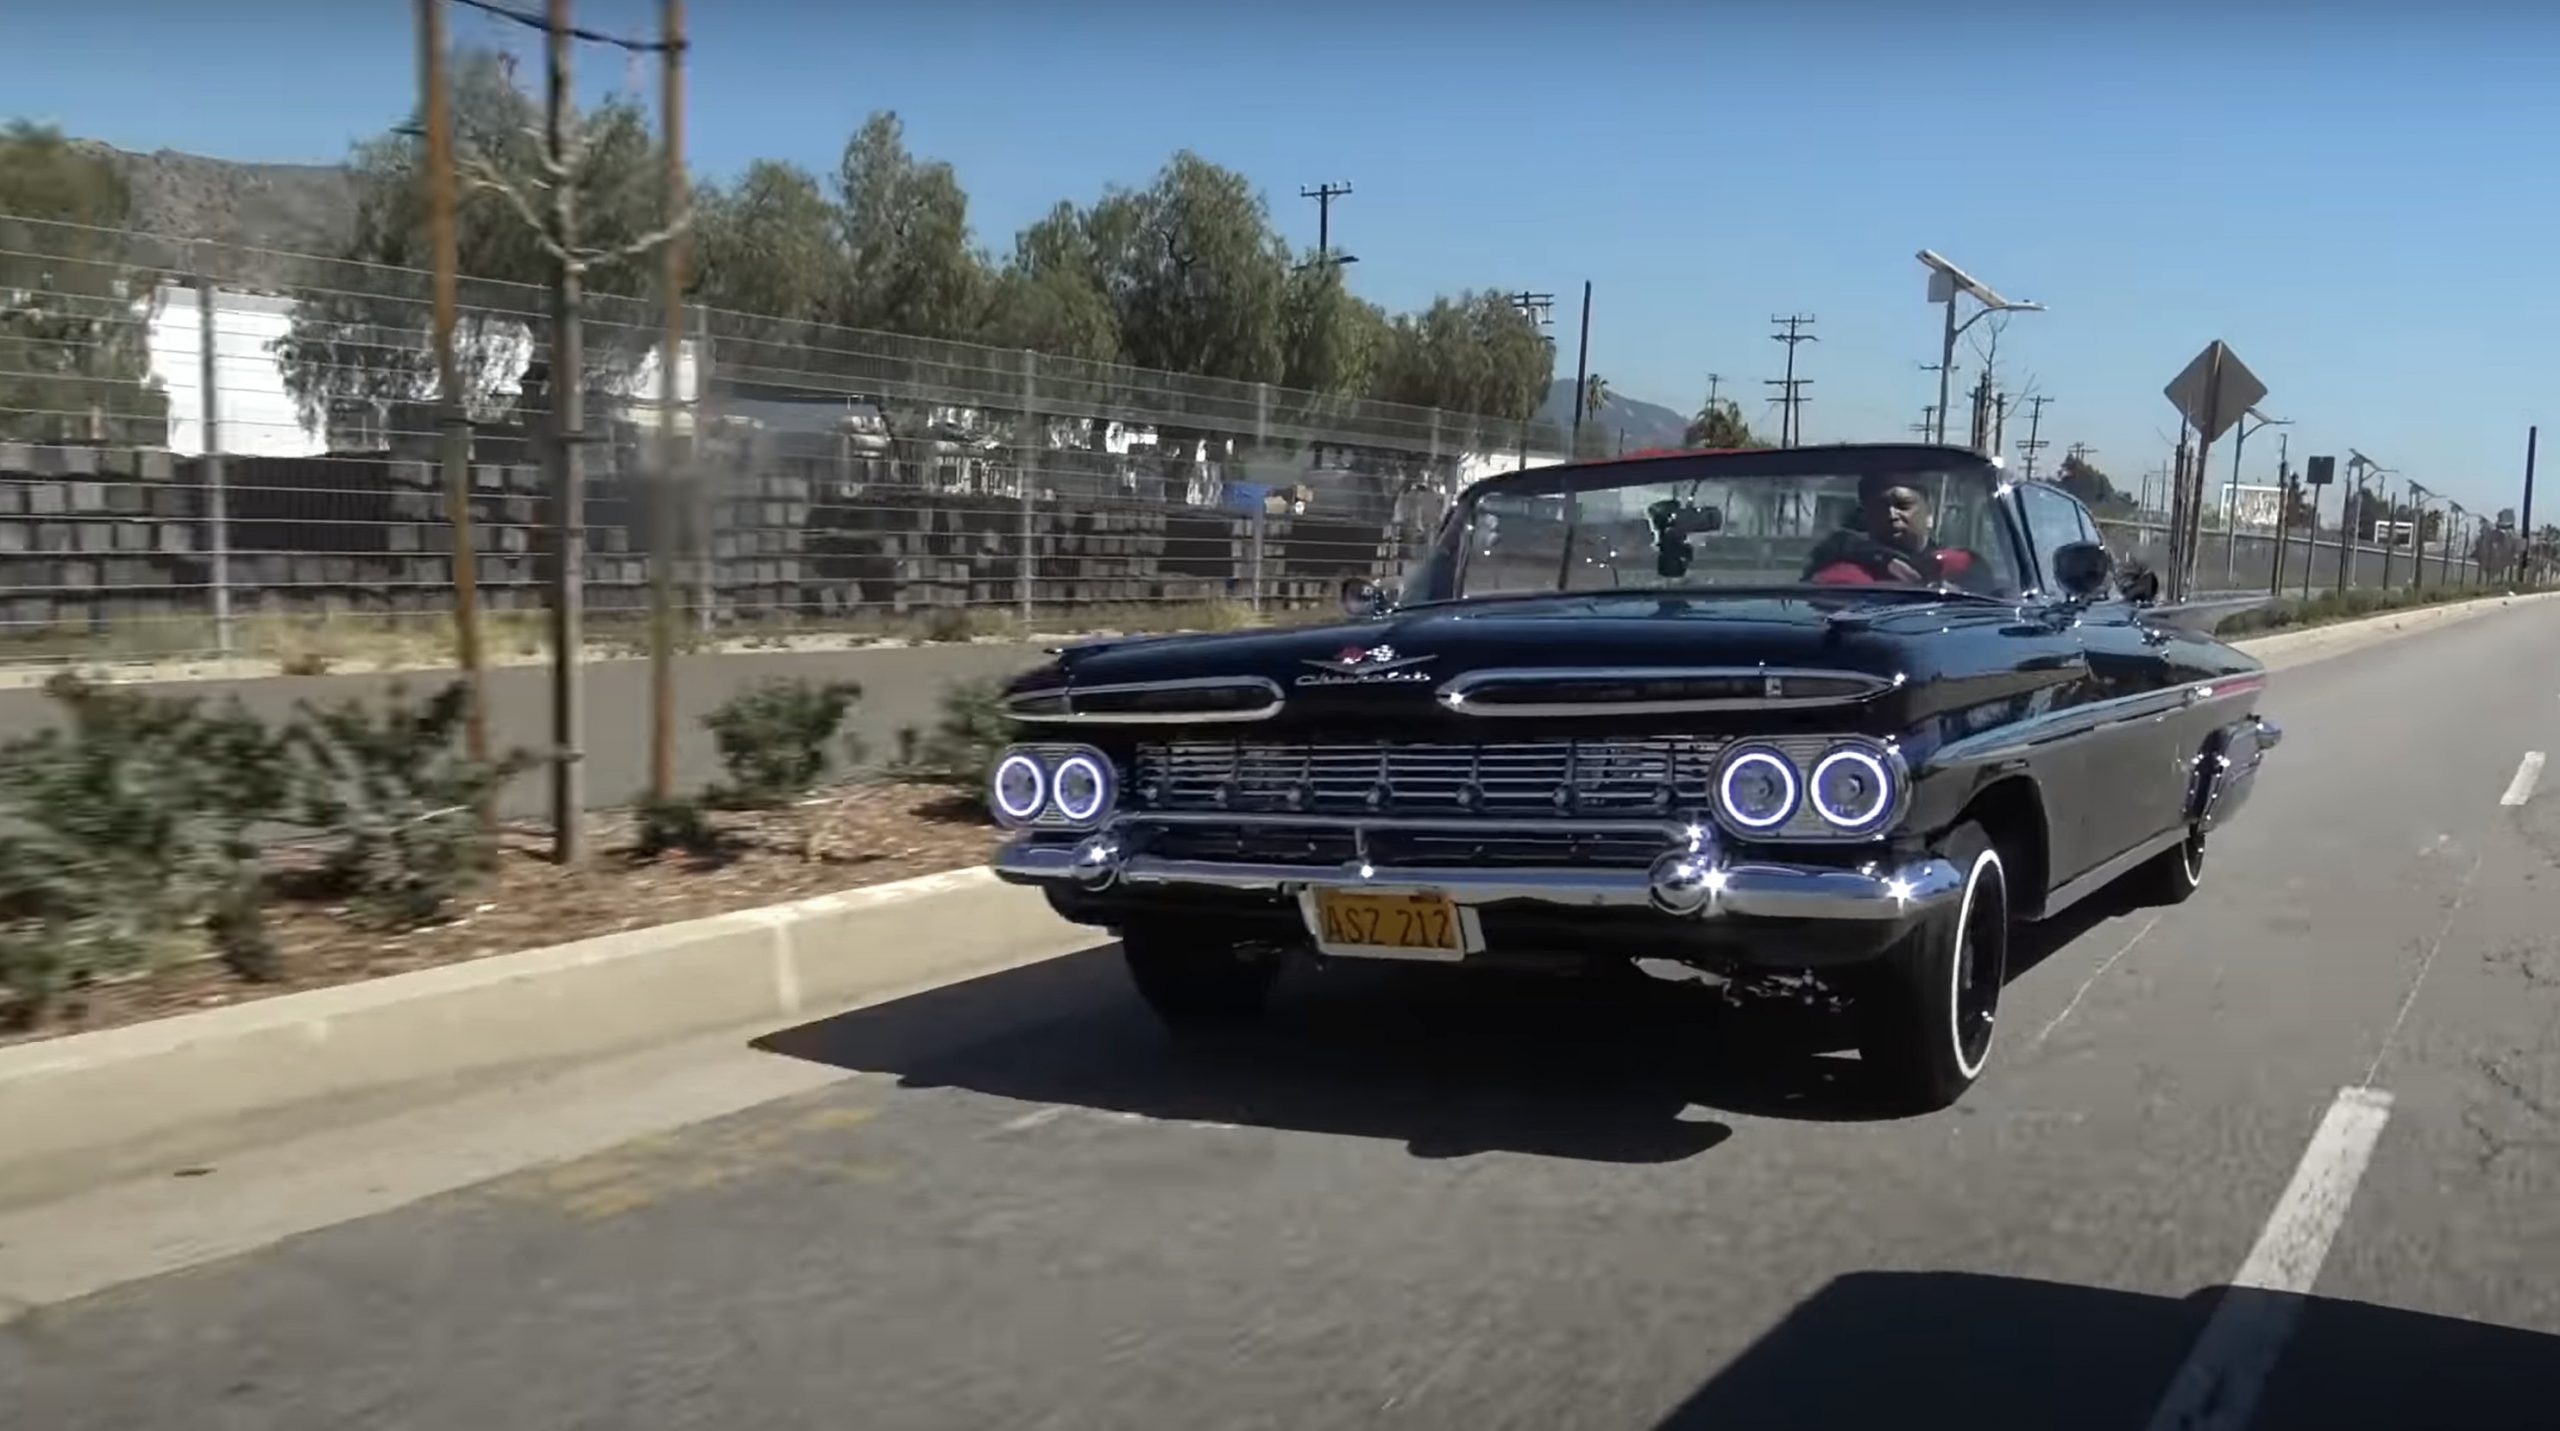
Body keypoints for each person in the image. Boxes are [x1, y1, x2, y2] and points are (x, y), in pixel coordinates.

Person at [1802, 472, 1997, 591]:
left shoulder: (1962, 566)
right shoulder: (1841, 568)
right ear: (1866, 515)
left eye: (1903, 505)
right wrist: (1880, 559)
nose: (1891, 514)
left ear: (1930, 513)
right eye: (1879, 506)